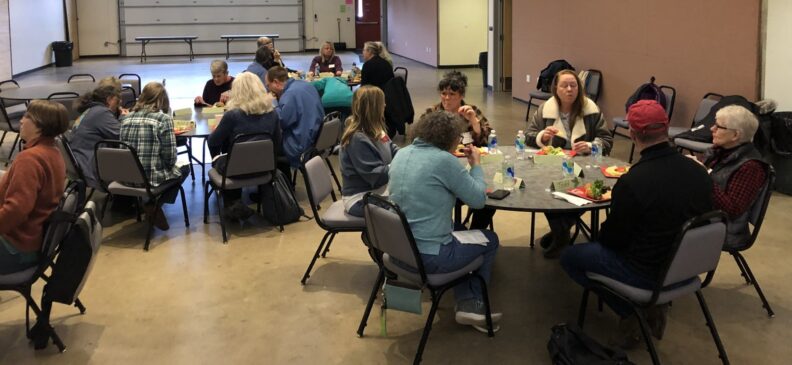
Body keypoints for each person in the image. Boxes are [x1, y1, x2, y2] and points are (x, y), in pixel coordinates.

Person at [560, 100, 713, 349]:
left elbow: (612, 241)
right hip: (689, 266)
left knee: (570, 257)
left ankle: (633, 310)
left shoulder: (633, 182)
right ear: (666, 129)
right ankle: (651, 307)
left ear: (632, 134)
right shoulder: (699, 172)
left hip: (646, 273)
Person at [389, 110, 502, 333]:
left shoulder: (402, 153)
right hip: (430, 257)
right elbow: (478, 200)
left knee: (459, 228)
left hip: (398, 251)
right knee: (490, 239)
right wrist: (476, 165)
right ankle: (473, 303)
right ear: (450, 138)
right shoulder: (444, 161)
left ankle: (465, 297)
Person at [525, 69, 612, 258]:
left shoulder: (591, 110)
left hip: (584, 167)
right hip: (551, 166)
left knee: (575, 190)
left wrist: (590, 146)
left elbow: (606, 140)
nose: (570, 89)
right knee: (545, 190)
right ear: (556, 88)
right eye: (565, 85)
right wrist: (542, 136)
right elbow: (528, 137)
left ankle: (560, 233)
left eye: (574, 85)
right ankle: (561, 231)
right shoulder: (545, 110)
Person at [0, 100, 69, 274]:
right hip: (32, 241)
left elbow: (16, 210)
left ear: (40, 125)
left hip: (16, 248)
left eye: (27, 116)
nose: (21, 120)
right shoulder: (52, 151)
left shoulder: (30, 158)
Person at [208, 72, 284, 220]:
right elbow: (277, 143)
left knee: (224, 158)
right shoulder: (272, 113)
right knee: (233, 158)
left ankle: (232, 203)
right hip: (265, 167)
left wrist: (218, 129)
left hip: (236, 169)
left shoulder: (232, 115)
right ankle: (235, 204)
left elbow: (213, 142)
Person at [423, 71, 494, 230]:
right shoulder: (432, 112)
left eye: (452, 94)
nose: (447, 98)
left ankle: (476, 231)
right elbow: (420, 139)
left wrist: (474, 121)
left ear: (461, 95)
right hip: (441, 167)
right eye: (443, 93)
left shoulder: (471, 111)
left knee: (489, 197)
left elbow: (486, 140)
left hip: (468, 165)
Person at [696, 105, 769, 249]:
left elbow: (732, 210)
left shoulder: (751, 166)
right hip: (706, 215)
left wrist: (703, 175)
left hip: (725, 229)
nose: (712, 129)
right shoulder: (718, 151)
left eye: (718, 126)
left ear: (735, 135)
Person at [121, 82, 190, 230]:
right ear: (161, 100)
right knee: (185, 167)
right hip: (150, 178)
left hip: (127, 178)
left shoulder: (125, 118)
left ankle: (150, 204)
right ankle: (154, 203)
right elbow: (170, 157)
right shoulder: (163, 119)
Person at [339, 86, 398, 217]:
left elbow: (392, 149)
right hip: (360, 199)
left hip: (376, 191)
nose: (385, 105)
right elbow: (375, 176)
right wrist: (401, 165)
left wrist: (409, 155)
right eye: (382, 103)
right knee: (407, 208)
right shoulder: (357, 138)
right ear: (374, 108)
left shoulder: (376, 130)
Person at [69, 80, 127, 190]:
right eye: (117, 100)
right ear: (109, 99)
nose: (119, 103)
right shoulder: (101, 112)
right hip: (90, 169)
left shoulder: (90, 110)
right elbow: (123, 135)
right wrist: (124, 117)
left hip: (80, 164)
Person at [265, 66, 325, 168]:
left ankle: (282, 182)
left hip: (300, 147)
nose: (268, 89)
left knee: (266, 149)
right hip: (317, 141)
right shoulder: (306, 85)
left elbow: (281, 123)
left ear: (275, 82)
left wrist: (273, 103)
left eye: (268, 85)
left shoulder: (289, 95)